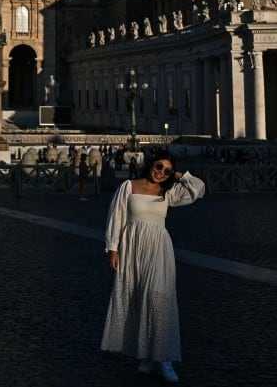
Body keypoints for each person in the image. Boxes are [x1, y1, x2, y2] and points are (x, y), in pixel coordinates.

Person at [101, 150, 206, 384]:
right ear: (150, 164)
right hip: (132, 248)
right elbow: (115, 217)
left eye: (167, 170)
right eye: (159, 167)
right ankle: (147, 355)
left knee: (159, 300)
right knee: (139, 300)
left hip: (158, 249)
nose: (161, 173)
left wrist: (179, 175)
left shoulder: (168, 191)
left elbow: (198, 189)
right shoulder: (128, 186)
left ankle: (165, 358)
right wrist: (113, 249)